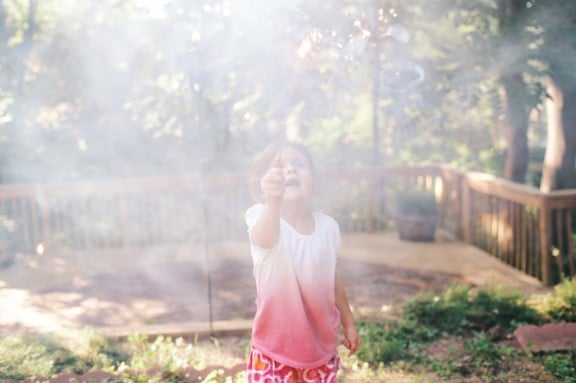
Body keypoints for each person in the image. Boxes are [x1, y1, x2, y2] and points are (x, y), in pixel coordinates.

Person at [245, 140, 361, 383]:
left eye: (299, 164)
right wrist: (271, 201)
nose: (290, 170)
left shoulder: (328, 227)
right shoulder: (260, 216)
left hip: (320, 349)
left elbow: (332, 279)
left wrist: (348, 322)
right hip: (273, 350)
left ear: (314, 181)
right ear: (264, 183)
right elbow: (265, 239)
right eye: (279, 166)